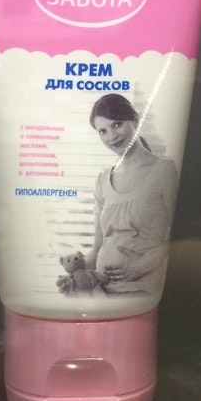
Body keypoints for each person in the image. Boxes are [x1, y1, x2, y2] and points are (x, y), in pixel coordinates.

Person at [84, 93, 178, 296]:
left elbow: (180, 238)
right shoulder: (102, 180)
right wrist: (77, 271)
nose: (111, 136)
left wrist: (140, 267)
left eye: (117, 124)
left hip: (141, 290)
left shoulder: (164, 171)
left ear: (135, 120)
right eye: (103, 131)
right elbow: (98, 247)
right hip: (102, 290)